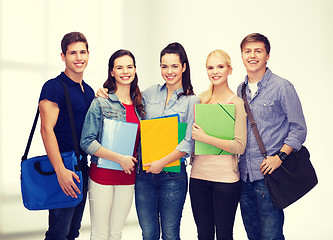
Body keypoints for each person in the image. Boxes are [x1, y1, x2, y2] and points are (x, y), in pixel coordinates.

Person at [237, 33, 307, 240]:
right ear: (241, 56)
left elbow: (299, 129)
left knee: (271, 236)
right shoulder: (240, 90)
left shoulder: (282, 87)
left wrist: (280, 157)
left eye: (258, 51)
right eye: (247, 51)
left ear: (267, 56)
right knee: (253, 235)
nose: (252, 56)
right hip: (244, 176)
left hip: (269, 177)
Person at [135, 42, 199, 240]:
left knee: (170, 235)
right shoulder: (150, 93)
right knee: (148, 234)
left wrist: (161, 163)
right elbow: (127, 102)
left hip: (173, 176)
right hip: (144, 174)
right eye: (164, 66)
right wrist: (105, 91)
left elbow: (189, 142)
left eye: (174, 66)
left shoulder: (192, 101)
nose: (169, 71)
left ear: (184, 67)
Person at [80, 49, 144, 240]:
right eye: (119, 67)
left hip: (128, 178)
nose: (125, 71)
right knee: (100, 234)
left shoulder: (141, 105)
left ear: (135, 70)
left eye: (129, 67)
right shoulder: (101, 102)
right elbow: (86, 141)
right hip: (102, 177)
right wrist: (120, 159)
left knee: (116, 234)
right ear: (112, 72)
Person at [39, 32, 95, 240]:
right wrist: (60, 170)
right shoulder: (53, 87)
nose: (78, 57)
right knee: (58, 233)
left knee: (72, 232)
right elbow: (46, 130)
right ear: (63, 56)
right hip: (63, 167)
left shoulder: (88, 91)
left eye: (82, 52)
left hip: (82, 168)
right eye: (72, 53)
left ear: (88, 54)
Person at [190, 49, 247, 240]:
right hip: (198, 178)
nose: (215, 71)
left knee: (224, 235)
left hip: (226, 180)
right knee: (204, 234)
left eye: (220, 67)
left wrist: (204, 137)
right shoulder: (200, 100)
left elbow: (239, 146)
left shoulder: (237, 103)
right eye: (210, 67)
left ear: (230, 70)